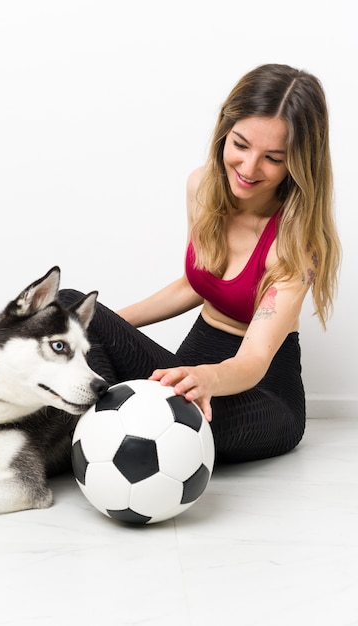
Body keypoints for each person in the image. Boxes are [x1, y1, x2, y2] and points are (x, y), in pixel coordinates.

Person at [60, 63, 341, 463]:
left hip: (261, 398)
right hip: (191, 364)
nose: (248, 168)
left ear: (299, 163)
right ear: (225, 132)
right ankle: (52, 443)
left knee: (156, 413)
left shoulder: (297, 244)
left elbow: (254, 360)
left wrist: (208, 377)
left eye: (273, 158)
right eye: (240, 145)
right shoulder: (203, 187)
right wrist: (102, 327)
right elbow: (196, 282)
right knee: (73, 312)